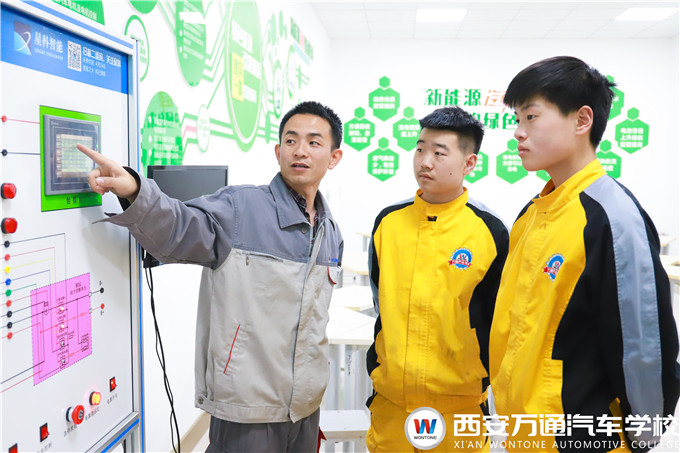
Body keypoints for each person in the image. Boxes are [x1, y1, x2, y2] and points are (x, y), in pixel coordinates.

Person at [78, 101, 344, 452]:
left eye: (313, 142)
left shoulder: (331, 233)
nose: (300, 151)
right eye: (291, 141)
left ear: (334, 157)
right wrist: (134, 190)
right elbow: (179, 227)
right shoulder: (240, 209)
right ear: (278, 151)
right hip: (247, 409)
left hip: (306, 409)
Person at [489, 56, 680, 452]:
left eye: (531, 117)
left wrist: (643, 435)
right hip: (527, 435)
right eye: (517, 119)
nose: (518, 132)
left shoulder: (614, 217)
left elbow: (643, 348)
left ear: (581, 120)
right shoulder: (532, 215)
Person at [365, 106, 509, 452]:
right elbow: (379, 303)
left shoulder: (489, 231)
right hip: (392, 406)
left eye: (439, 153)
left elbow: (499, 321)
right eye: (420, 149)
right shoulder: (388, 222)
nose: (424, 162)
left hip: (458, 408)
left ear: (469, 163)